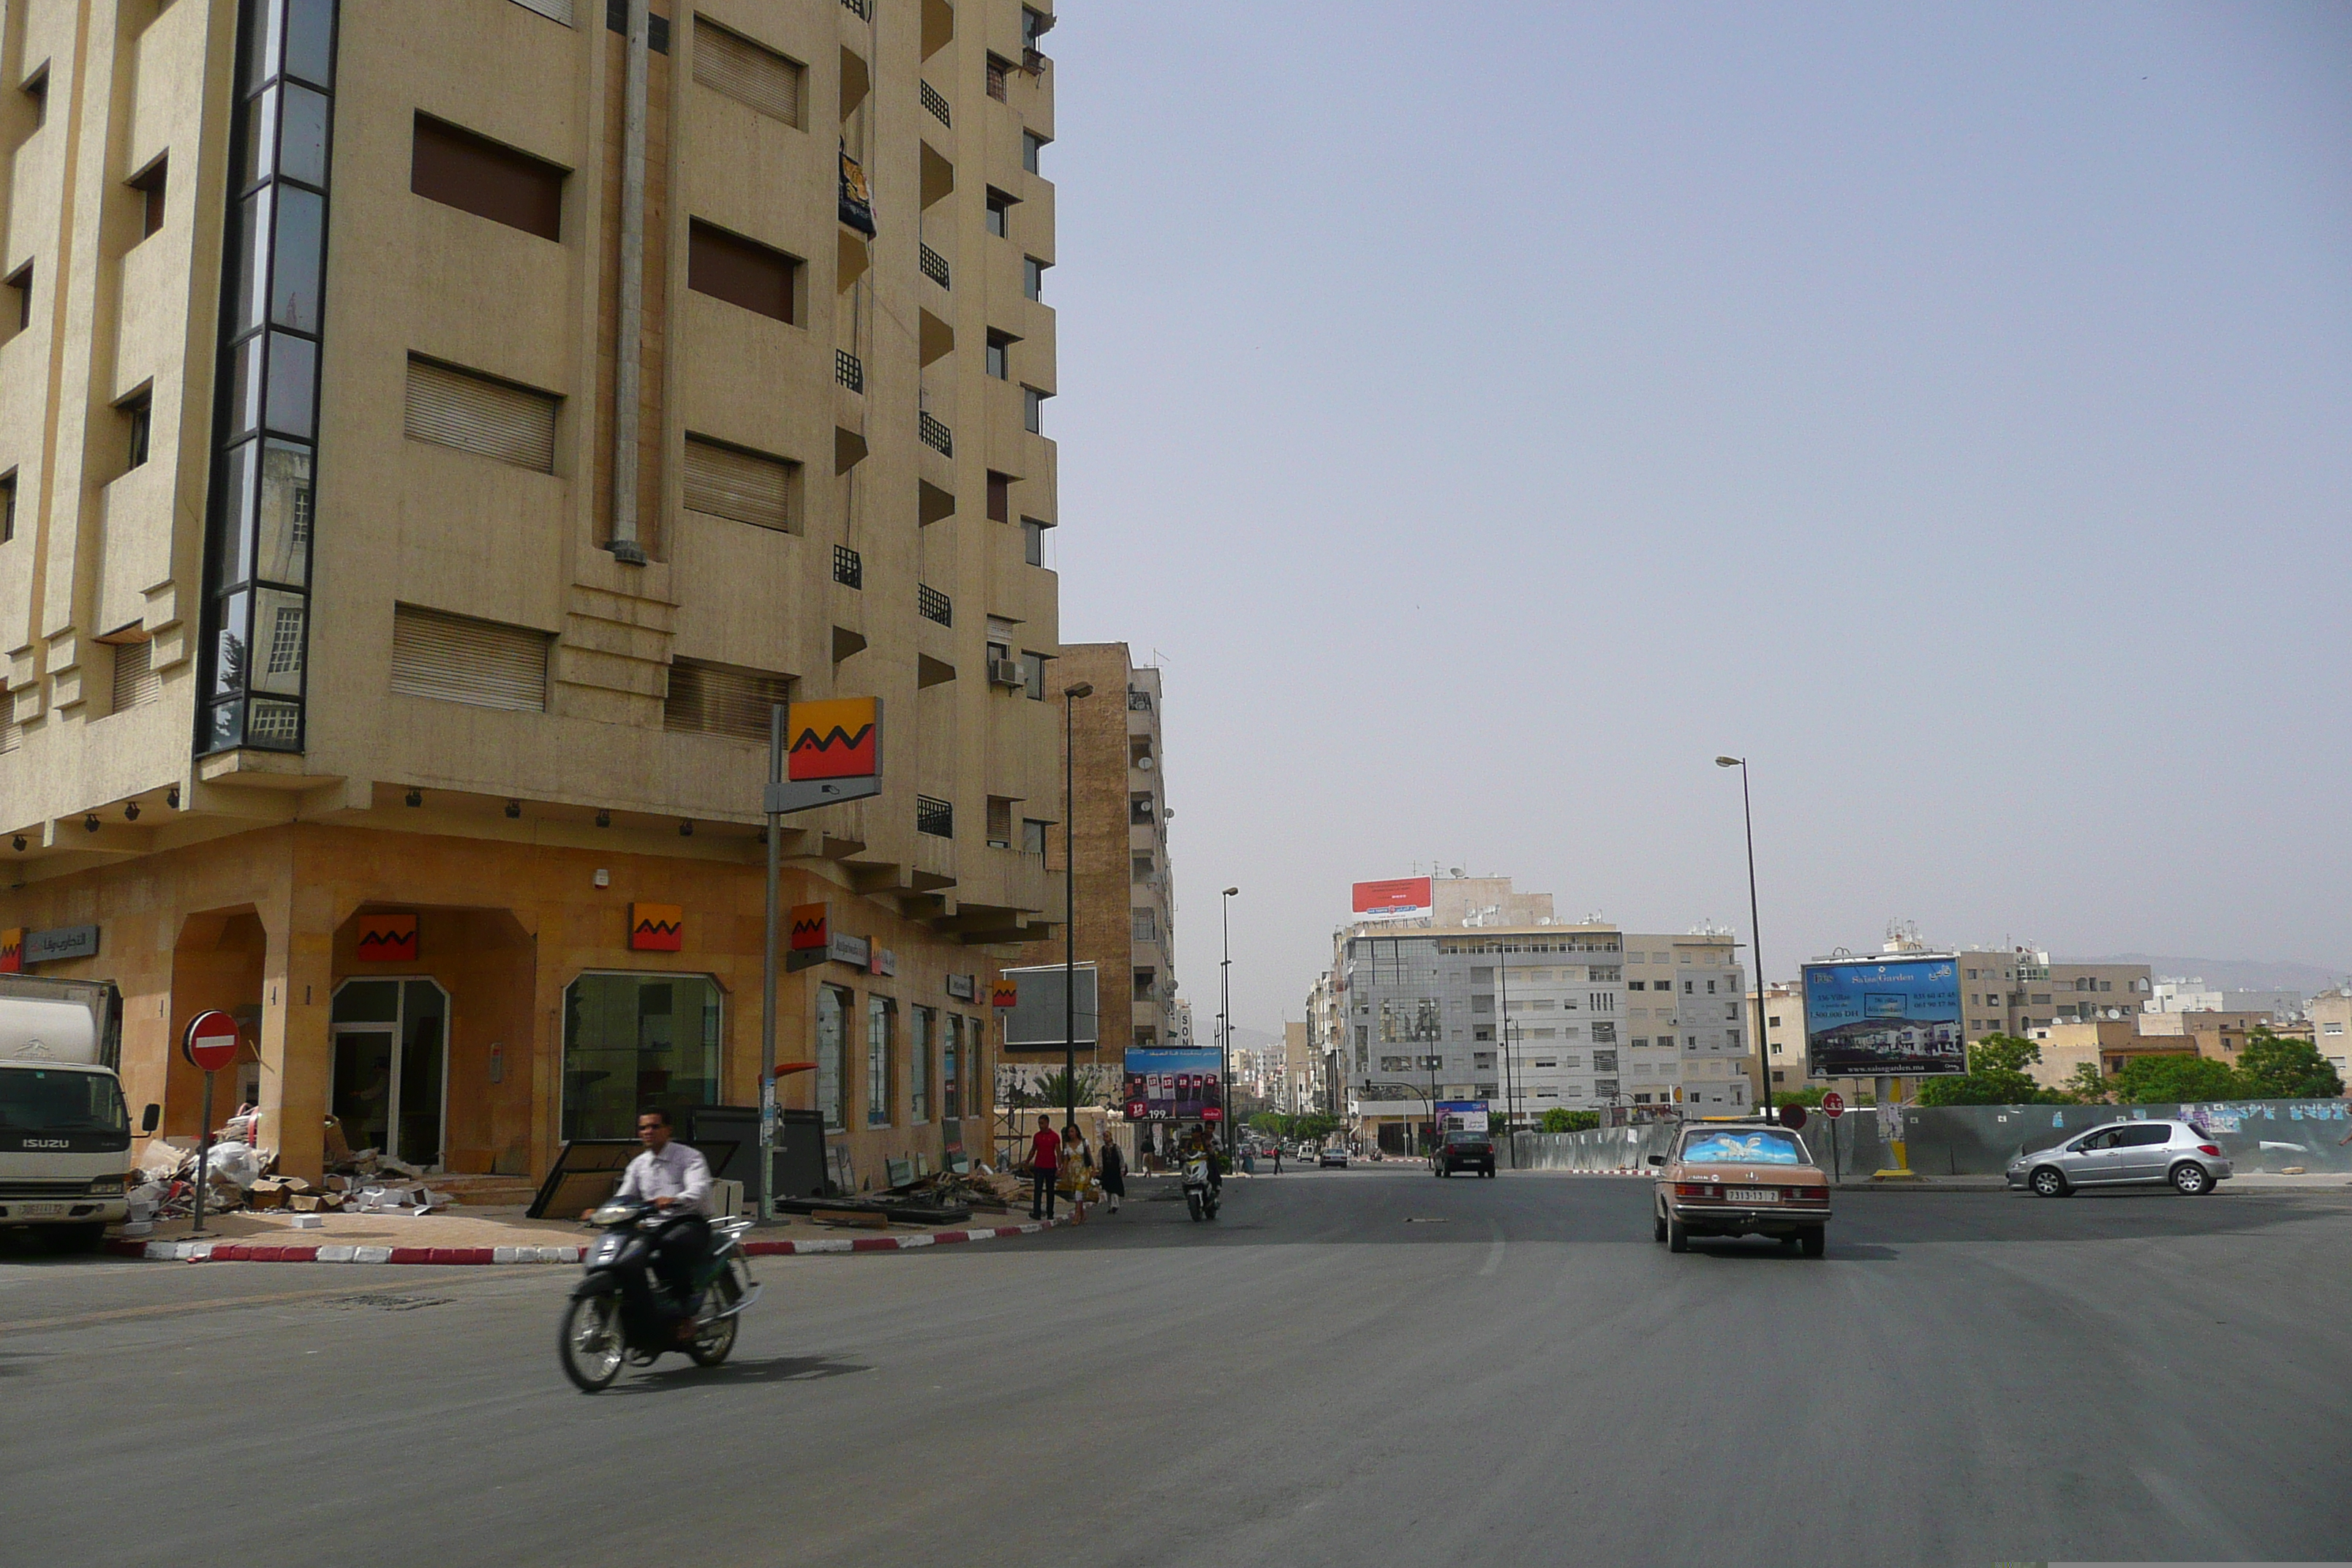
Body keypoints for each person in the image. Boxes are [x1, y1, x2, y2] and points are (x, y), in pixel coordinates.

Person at [592, 1107, 712, 1340]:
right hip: (650, 1225)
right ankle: (642, 1310)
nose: (648, 1132)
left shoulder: (689, 1157)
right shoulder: (638, 1165)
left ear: (668, 1130)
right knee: (627, 1257)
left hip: (687, 1221)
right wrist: (599, 1212)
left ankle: (685, 1314)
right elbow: (624, 1197)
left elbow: (699, 1189)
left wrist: (675, 1199)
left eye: (655, 1127)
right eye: (643, 1127)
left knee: (668, 1247)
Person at [1028, 1114, 1061, 1220]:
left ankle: (1050, 1213)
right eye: (1039, 1124)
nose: (1041, 1126)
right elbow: (1033, 1149)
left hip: (1051, 1167)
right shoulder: (1037, 1136)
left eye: (1042, 1123)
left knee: (1050, 1191)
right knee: (1037, 1190)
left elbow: (1058, 1152)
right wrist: (1027, 1161)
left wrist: (1059, 1167)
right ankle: (1036, 1213)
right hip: (1039, 1166)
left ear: (1047, 1123)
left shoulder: (1055, 1137)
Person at [1098, 1135, 1126, 1214]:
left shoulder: (1116, 1148)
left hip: (1115, 1171)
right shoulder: (1102, 1149)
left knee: (1115, 1189)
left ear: (1110, 1138)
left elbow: (1121, 1158)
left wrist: (1122, 1169)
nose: (1105, 1139)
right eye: (1104, 1137)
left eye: (1107, 1137)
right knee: (1108, 1190)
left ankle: (1115, 1205)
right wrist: (1100, 1168)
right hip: (1107, 1171)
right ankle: (1110, 1206)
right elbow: (1100, 1159)